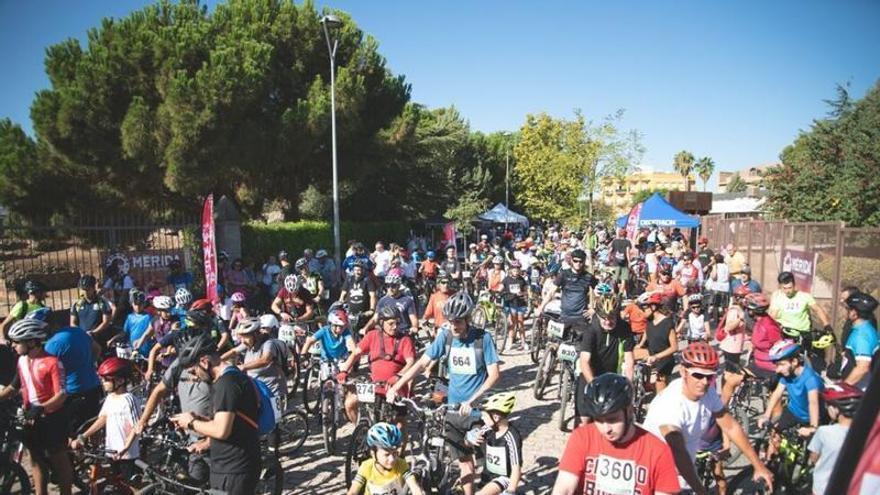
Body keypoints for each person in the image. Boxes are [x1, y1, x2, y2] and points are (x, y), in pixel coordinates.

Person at [388, 292, 501, 495]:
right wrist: (398, 385)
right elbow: (423, 362)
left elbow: (494, 375)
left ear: (468, 318)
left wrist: (472, 401)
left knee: (473, 458)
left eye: (458, 321)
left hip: (474, 411)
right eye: (450, 321)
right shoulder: (446, 335)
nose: (454, 325)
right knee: (464, 460)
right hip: (452, 409)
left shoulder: (483, 339)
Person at [643, 342, 774, 494]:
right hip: (657, 477)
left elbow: (730, 426)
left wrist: (758, 466)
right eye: (698, 375)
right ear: (683, 371)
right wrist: (700, 491)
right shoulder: (671, 404)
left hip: (683, 476)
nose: (704, 382)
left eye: (710, 377)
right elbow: (678, 453)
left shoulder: (708, 392)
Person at [552, 373, 681, 495]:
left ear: (629, 411)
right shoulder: (582, 437)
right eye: (598, 420)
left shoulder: (658, 451)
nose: (605, 428)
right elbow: (565, 486)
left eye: (612, 419)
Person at [169, 331, 261, 494]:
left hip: (234, 469)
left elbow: (221, 430)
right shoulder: (229, 378)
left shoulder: (226, 385)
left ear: (204, 362)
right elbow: (230, 421)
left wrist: (190, 423)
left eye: (193, 370)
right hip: (228, 466)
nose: (194, 376)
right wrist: (200, 421)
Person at [0, 318, 73, 495]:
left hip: (52, 417)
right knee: (35, 460)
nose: (13, 345)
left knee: (58, 460)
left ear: (32, 342)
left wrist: (41, 407)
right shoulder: (22, 361)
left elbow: (62, 394)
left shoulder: (52, 362)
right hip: (30, 416)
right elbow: (12, 387)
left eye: (17, 342)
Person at [338, 306, 417, 434]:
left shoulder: (405, 340)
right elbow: (356, 353)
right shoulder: (372, 335)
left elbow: (411, 362)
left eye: (397, 323)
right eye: (391, 323)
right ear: (381, 323)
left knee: (400, 425)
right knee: (350, 403)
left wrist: (398, 376)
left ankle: (400, 453)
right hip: (374, 385)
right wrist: (344, 370)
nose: (395, 326)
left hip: (395, 386)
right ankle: (361, 433)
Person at [70, 357, 141, 477]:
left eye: (106, 379)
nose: (103, 382)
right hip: (111, 451)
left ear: (120, 381)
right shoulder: (110, 398)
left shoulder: (129, 400)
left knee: (132, 486)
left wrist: (125, 447)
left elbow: (137, 427)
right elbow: (103, 418)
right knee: (118, 483)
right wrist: (83, 436)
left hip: (127, 454)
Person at [42, 309, 104, 435]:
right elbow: (97, 349)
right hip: (93, 386)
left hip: (71, 394)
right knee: (91, 429)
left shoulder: (51, 345)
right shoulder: (78, 331)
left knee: (71, 435)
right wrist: (88, 364)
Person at [576, 293, 634, 423]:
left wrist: (629, 386)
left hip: (612, 376)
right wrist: (593, 384)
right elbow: (584, 361)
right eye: (604, 318)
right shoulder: (591, 330)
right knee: (584, 420)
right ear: (597, 315)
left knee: (613, 417)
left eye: (612, 317)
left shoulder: (624, 328)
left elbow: (629, 360)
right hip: (591, 375)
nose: (608, 321)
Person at [221, 317, 288, 414]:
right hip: (257, 388)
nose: (242, 340)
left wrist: (244, 366)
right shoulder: (250, 343)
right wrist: (217, 360)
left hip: (273, 389)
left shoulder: (268, 343)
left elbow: (265, 360)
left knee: (274, 421)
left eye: (245, 337)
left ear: (255, 334)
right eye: (241, 337)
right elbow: (234, 351)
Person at [301, 308, 357, 421]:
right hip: (326, 359)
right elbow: (309, 341)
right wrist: (303, 355)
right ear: (331, 324)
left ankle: (345, 405)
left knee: (343, 382)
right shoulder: (324, 331)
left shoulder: (345, 332)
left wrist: (352, 356)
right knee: (325, 383)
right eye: (337, 326)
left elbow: (351, 345)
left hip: (341, 359)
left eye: (342, 327)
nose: (340, 329)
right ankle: (324, 409)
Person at [808, 382, 863, 495]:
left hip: (823, 488)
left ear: (835, 409)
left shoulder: (824, 432)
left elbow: (814, 458)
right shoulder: (865, 433)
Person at [759, 340, 823, 436]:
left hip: (811, 417)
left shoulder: (810, 379)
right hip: (793, 411)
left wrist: (813, 428)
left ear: (794, 361)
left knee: (811, 449)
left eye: (781, 364)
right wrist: (766, 415)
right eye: (777, 365)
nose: (778, 370)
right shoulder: (787, 374)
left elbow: (813, 402)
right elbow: (777, 393)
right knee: (775, 435)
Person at [465, 392, 523, 495]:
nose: (482, 418)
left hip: (504, 478)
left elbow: (516, 467)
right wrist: (470, 439)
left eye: (485, 415)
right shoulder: (487, 429)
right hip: (487, 474)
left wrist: (511, 490)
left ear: (495, 417)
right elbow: (468, 443)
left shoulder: (512, 437)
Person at [348, 422, 424, 495]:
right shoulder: (366, 467)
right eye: (386, 455)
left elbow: (414, 487)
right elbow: (353, 492)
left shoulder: (401, 464)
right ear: (373, 453)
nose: (392, 459)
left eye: (394, 453)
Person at [536, 248, 595, 339]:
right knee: (555, 342)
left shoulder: (589, 277)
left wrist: (593, 308)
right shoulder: (563, 274)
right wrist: (541, 307)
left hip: (581, 318)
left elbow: (600, 293)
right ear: (571, 260)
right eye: (575, 261)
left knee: (582, 346)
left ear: (584, 262)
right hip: (564, 316)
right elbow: (551, 292)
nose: (578, 264)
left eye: (580, 261)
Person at [769, 271, 832, 345]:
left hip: (803, 334)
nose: (787, 291)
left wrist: (826, 324)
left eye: (790, 288)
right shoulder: (777, 297)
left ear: (794, 285)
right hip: (785, 334)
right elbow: (772, 316)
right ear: (780, 287)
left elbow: (817, 309)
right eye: (784, 288)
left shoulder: (804, 297)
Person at [636, 293, 677, 392]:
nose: (643, 311)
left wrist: (657, 357)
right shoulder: (650, 320)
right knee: (629, 354)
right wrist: (640, 344)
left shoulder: (667, 323)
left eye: (645, 308)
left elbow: (674, 347)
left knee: (660, 392)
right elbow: (647, 331)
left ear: (653, 307)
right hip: (651, 353)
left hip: (663, 359)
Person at [838, 291, 879, 390]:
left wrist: (842, 389)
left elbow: (862, 368)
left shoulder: (862, 335)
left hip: (860, 394)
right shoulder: (862, 329)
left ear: (854, 313)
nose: (843, 311)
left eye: (846, 308)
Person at [744, 293, 783, 381]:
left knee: (732, 381)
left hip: (767, 367)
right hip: (758, 361)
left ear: (753, 311)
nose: (746, 311)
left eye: (748, 309)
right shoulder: (759, 321)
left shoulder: (769, 326)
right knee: (732, 378)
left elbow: (779, 347)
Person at [69, 274, 113, 339]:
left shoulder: (102, 303)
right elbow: (72, 323)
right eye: (83, 289)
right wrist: (81, 334)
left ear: (93, 288)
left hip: (99, 339)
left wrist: (93, 333)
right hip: (82, 339)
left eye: (88, 289)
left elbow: (106, 322)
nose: (85, 292)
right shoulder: (77, 304)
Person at [114, 289, 154, 357]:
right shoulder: (130, 317)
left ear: (144, 304)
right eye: (135, 304)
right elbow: (125, 332)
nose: (138, 307)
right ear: (132, 304)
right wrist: (114, 338)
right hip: (132, 350)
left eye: (140, 304)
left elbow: (152, 333)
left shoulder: (149, 317)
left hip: (146, 352)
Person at [338, 260, 378, 328]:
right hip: (350, 311)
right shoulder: (349, 279)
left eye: (359, 270)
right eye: (355, 270)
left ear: (363, 270)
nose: (357, 272)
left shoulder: (367, 280)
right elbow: (343, 292)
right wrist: (340, 303)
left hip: (364, 312)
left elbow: (372, 295)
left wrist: (372, 309)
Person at [500, 260, 529, 352]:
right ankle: (509, 342)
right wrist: (497, 292)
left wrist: (523, 293)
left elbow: (526, 291)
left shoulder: (521, 280)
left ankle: (523, 342)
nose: (516, 272)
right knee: (512, 324)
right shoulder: (507, 279)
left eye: (517, 270)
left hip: (520, 303)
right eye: (514, 270)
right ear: (510, 270)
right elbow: (501, 288)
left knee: (521, 323)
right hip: (511, 303)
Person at [608, 229, 632, 296]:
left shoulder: (615, 241)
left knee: (615, 278)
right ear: (626, 234)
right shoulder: (627, 242)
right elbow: (627, 253)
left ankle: (613, 292)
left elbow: (610, 250)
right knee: (623, 279)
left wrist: (609, 258)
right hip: (624, 263)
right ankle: (620, 294)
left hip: (616, 262)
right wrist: (629, 262)